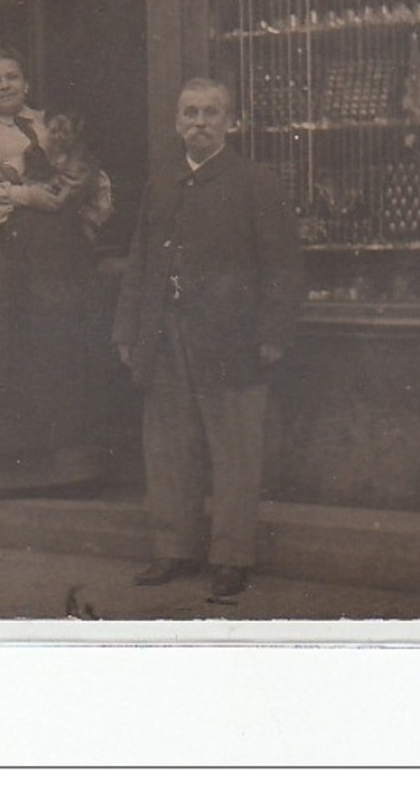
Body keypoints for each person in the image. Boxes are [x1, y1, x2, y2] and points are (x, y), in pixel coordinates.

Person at [113, 78, 302, 600]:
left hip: (232, 337)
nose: (199, 122)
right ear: (176, 123)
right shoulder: (164, 183)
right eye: (190, 113)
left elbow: (283, 268)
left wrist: (272, 333)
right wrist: (128, 329)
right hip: (165, 333)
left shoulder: (254, 182)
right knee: (169, 445)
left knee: (235, 447)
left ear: (230, 122)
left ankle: (231, 556)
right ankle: (175, 549)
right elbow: (141, 262)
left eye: (211, 113)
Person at [0, 51, 113, 492]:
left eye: (12, 77)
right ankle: (4, 469)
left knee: (57, 345)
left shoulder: (50, 124)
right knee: (4, 348)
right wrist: (25, 196)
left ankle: (67, 467)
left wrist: (79, 203)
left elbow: (91, 175)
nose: (5, 86)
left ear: (26, 84)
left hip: (55, 257)